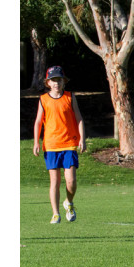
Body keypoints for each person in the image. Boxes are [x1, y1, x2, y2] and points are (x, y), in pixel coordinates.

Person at [33, 66, 86, 224]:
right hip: (51, 145)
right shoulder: (43, 99)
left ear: (64, 81)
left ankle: (68, 202)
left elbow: (79, 119)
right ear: (48, 82)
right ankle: (55, 213)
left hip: (69, 144)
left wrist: (82, 138)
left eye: (59, 80)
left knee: (71, 181)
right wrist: (36, 141)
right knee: (54, 181)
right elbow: (38, 122)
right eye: (53, 80)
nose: (56, 83)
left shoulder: (70, 97)